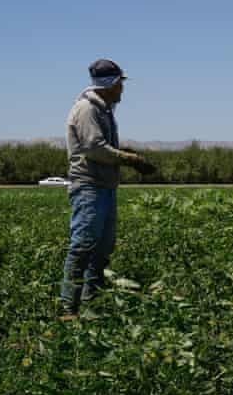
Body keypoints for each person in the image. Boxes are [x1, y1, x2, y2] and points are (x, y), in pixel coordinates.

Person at [61, 59, 155, 318]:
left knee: (102, 249)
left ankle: (92, 303)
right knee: (82, 245)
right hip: (89, 186)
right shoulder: (87, 109)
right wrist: (128, 159)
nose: (122, 90)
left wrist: (124, 155)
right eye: (120, 84)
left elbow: (100, 146)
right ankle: (69, 307)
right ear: (111, 84)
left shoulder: (104, 109)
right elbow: (94, 148)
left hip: (104, 186)